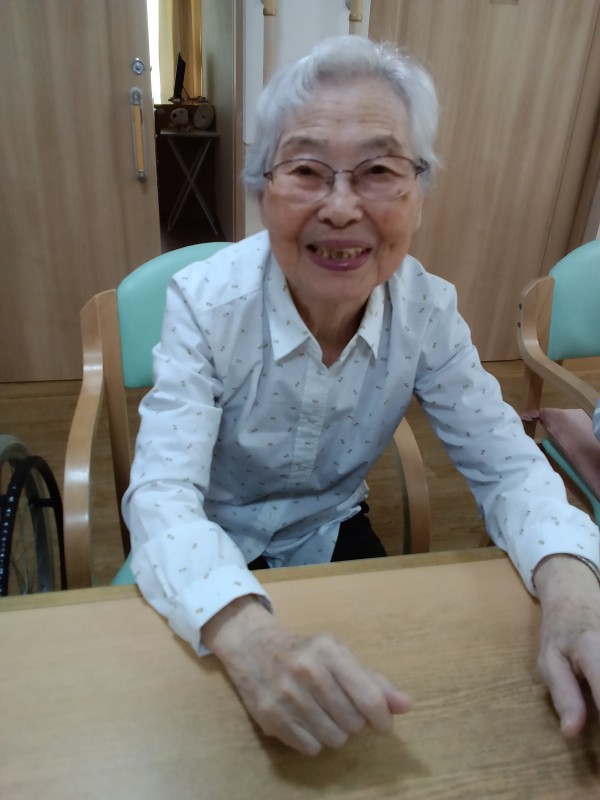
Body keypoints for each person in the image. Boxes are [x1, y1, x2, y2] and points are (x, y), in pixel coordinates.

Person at [123, 35, 600, 756]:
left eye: (379, 170)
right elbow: (162, 494)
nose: (342, 209)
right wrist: (245, 634)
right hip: (209, 542)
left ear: (419, 192)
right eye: (306, 170)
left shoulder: (428, 311)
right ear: (262, 190)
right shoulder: (205, 303)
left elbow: (507, 465)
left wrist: (573, 588)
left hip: (329, 528)